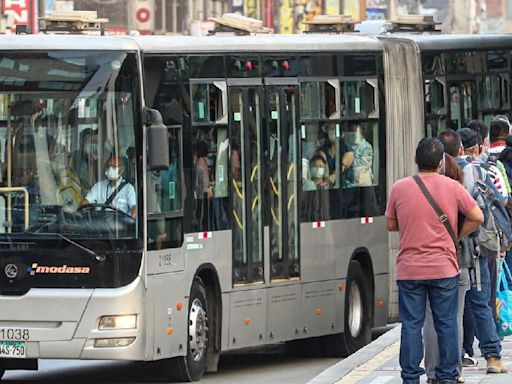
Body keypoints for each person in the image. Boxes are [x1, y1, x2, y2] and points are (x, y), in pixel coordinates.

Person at [386, 137, 483, 384]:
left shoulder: (399, 187)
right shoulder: (452, 187)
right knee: (447, 323)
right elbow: (477, 216)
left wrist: (411, 226)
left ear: (415, 160)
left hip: (409, 270)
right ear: (441, 163)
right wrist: (457, 234)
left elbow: (390, 223)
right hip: (444, 268)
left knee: (411, 325)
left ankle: (410, 377)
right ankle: (448, 376)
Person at [456, 128, 508, 374]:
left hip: (442, 250)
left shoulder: (438, 172)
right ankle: (492, 356)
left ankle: (455, 357)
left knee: (446, 307)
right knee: (479, 301)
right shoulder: (479, 170)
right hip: (474, 247)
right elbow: (498, 201)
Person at [423, 152, 469, 384]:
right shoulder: (458, 191)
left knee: (430, 319)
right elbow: (477, 218)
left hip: (424, 265)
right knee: (453, 319)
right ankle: (452, 371)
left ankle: (432, 372)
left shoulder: (417, 191)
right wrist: (458, 236)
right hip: (457, 262)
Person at [344, 122, 373, 187]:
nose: (352, 133)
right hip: (348, 183)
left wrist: (348, 160)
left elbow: (362, 164)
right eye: (351, 131)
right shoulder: (346, 145)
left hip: (362, 184)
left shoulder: (367, 146)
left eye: (355, 131)